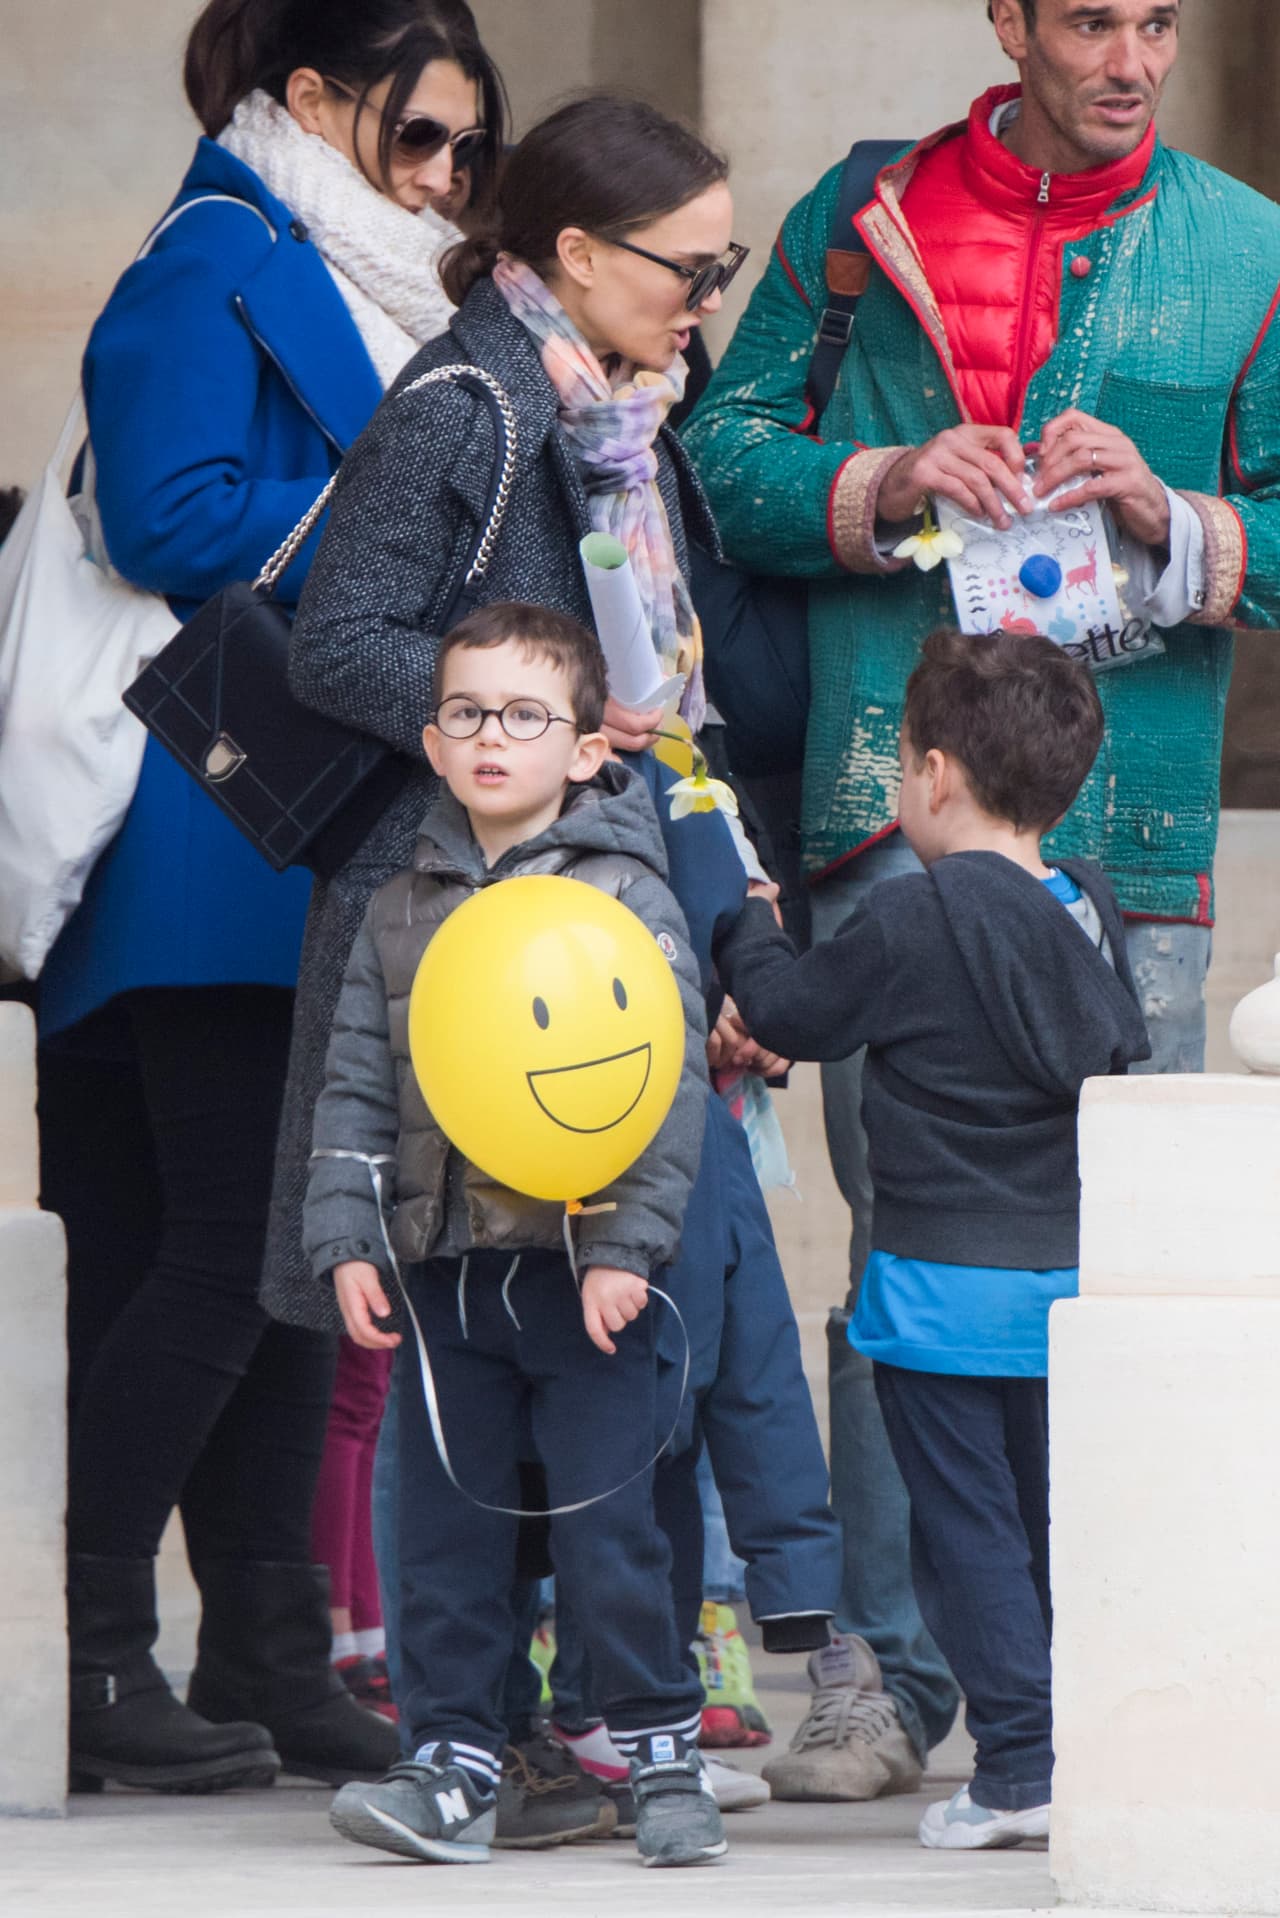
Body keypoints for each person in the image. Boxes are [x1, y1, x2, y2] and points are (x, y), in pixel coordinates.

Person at [683, 0, 1280, 1801]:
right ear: (1008, 20)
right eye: (1091, 17)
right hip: (895, 814)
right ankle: (885, 1681)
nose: (1132, 56)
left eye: (1160, 20)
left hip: (1136, 835)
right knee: (910, 1263)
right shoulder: (855, 224)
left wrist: (1179, 518)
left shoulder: (1251, 245)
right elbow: (714, 453)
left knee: (1120, 1275)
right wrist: (886, 480)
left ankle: (1115, 1668)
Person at [37, 0, 506, 1795]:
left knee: (297, 1257)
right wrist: (399, 529)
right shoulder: (219, 246)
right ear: (312, 97)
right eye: (420, 140)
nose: (450, 178)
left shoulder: (363, 272)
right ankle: (76, 1650)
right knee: (232, 1243)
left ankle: (269, 1642)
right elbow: (161, 514)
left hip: (290, 819)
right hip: (201, 822)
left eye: (474, 147)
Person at [307, 601, 727, 1869]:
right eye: (468, 715)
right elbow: (356, 1083)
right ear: (432, 743)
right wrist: (346, 1234)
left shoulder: (622, 892)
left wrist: (623, 1249)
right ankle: (450, 1764)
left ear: (589, 746)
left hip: (582, 1276)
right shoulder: (399, 908)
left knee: (611, 1532)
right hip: (446, 1277)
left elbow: (664, 1091)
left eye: (526, 716)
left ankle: (658, 1751)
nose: (494, 738)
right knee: (446, 1535)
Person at [715, 625, 1151, 1846]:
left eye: (900, 765)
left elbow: (792, 1007)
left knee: (962, 1548)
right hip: (1064, 1291)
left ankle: (1015, 1770)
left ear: (935, 777)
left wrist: (744, 919)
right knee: (1047, 1533)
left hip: (938, 1299)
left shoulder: (913, 919)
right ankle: (1068, 1749)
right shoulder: (1086, 911)